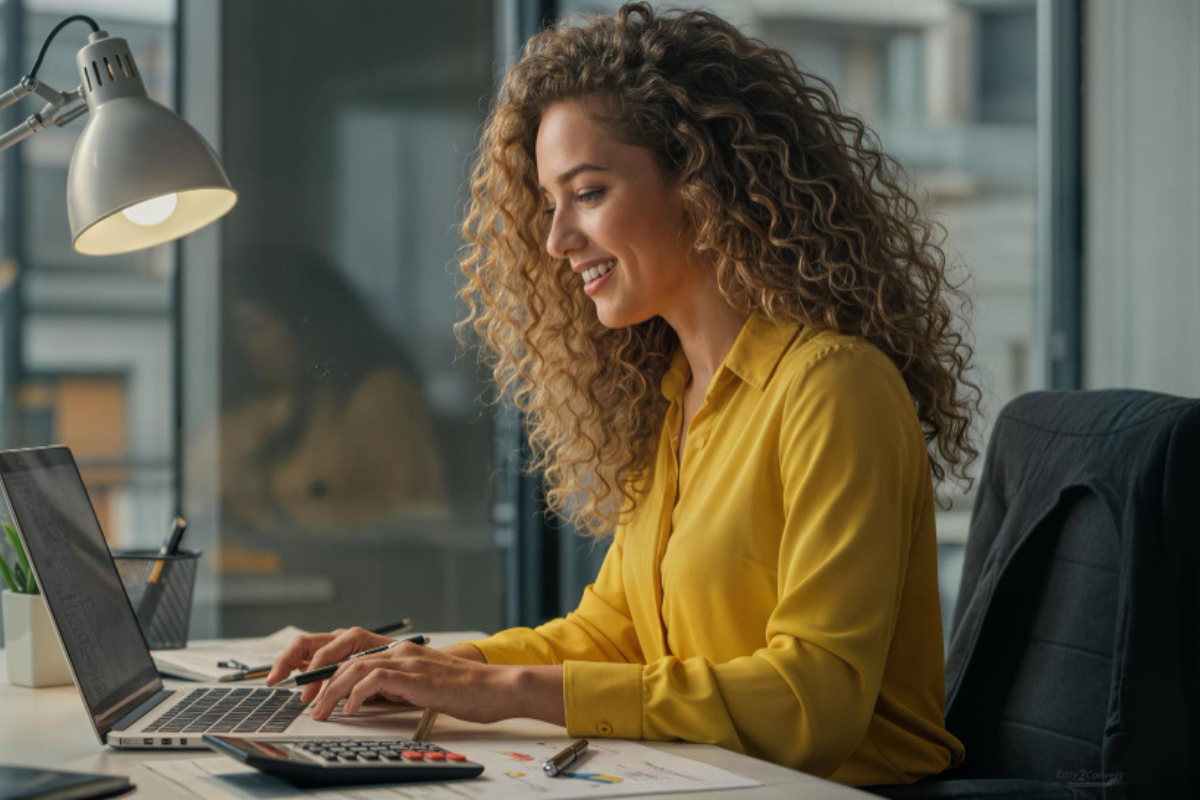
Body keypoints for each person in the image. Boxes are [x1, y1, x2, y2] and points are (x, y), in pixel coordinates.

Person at [267, 3, 980, 787]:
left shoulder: (834, 389)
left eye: (590, 192)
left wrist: (502, 688)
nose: (556, 239)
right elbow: (614, 635)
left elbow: (814, 701)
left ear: (703, 182)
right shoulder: (680, 396)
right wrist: (422, 664)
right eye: (550, 202)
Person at [219, 245, 447, 536]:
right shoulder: (284, 401)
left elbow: (410, 512)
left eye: (257, 328)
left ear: (302, 324)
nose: (249, 347)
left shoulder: (380, 396)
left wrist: (287, 516)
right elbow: (205, 476)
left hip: (377, 572)